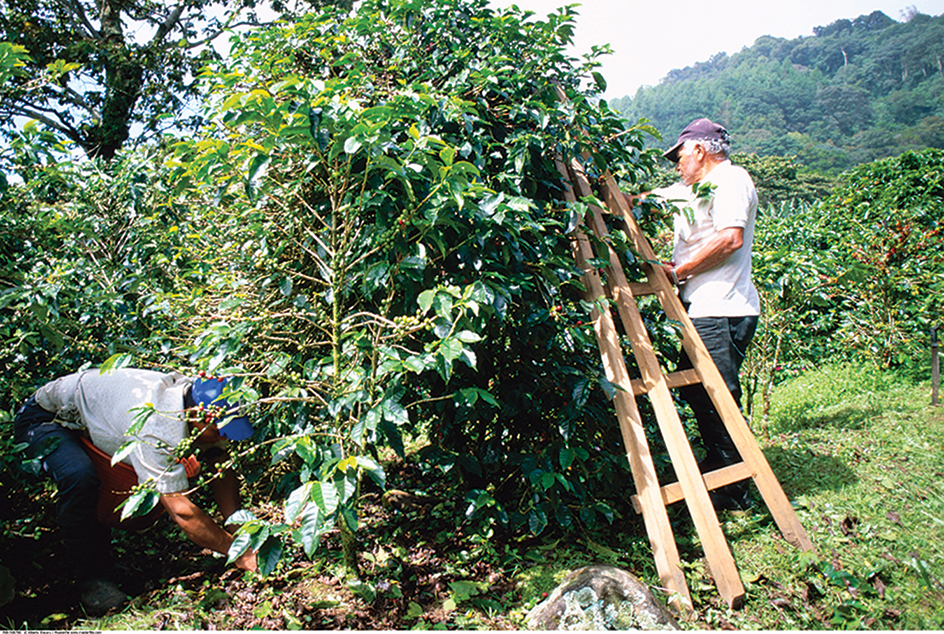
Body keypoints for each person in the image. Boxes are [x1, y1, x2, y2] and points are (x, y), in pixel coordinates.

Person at [12, 367, 258, 614]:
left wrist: (237, 528)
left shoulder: (197, 402)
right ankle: (92, 579)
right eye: (221, 430)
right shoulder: (156, 425)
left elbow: (220, 464)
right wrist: (237, 553)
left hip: (91, 421)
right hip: (45, 419)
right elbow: (181, 511)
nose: (223, 437)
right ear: (199, 417)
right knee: (79, 477)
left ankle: (103, 559)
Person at [647, 118, 761, 510]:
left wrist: (678, 272)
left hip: (723, 308)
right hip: (703, 308)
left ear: (699, 150)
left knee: (717, 396)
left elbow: (731, 238)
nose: (676, 165)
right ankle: (720, 466)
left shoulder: (731, 180)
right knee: (699, 392)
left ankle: (735, 487)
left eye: (679, 156)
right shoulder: (691, 190)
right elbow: (644, 199)